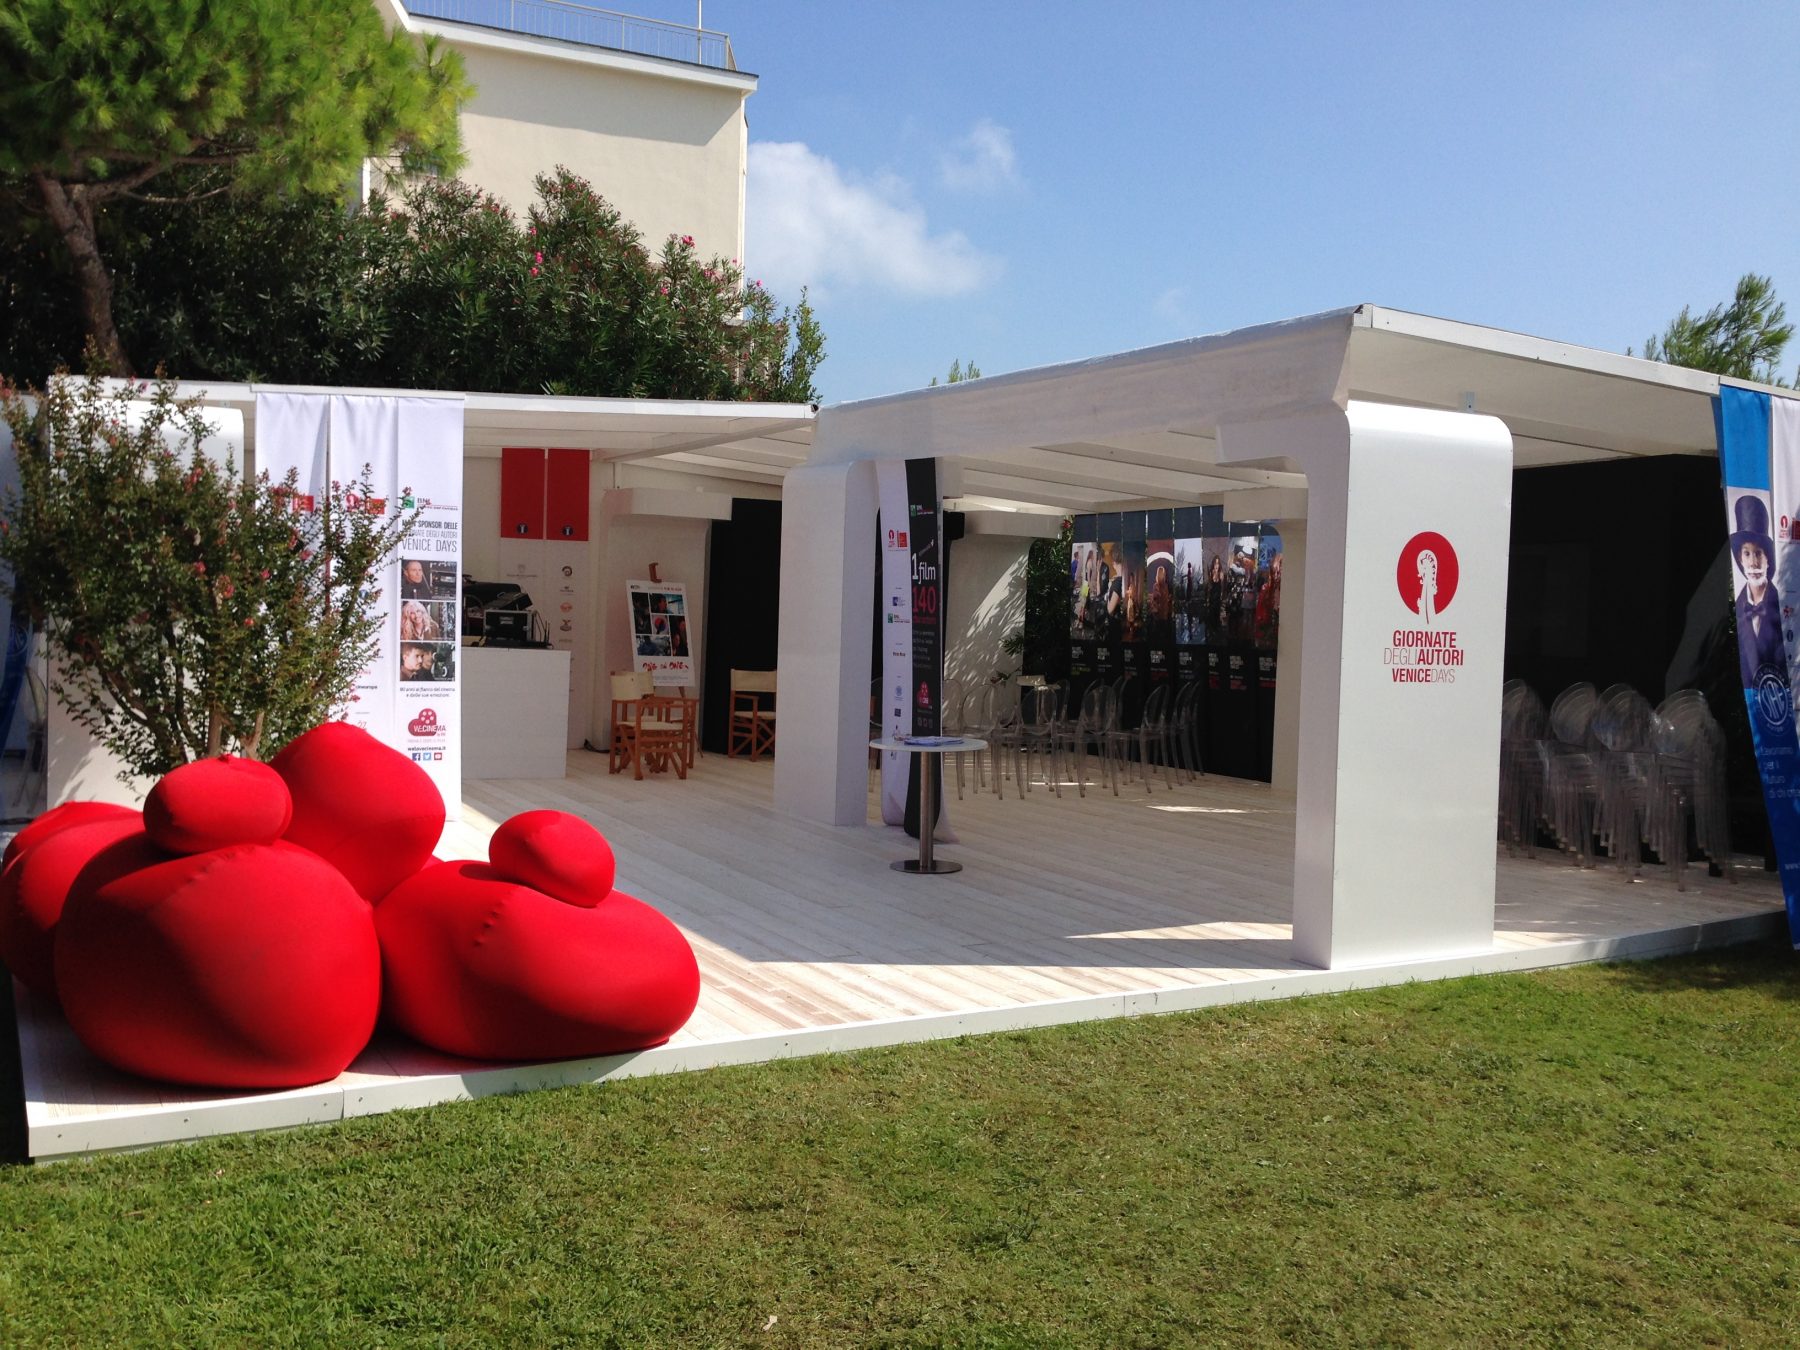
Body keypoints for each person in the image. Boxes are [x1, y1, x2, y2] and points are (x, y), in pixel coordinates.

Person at [1732, 496, 1784, 687]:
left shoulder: (1782, 602)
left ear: (1768, 558)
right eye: (1747, 553)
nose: (1753, 562)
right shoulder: (1736, 608)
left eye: (1758, 553)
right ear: (1740, 559)